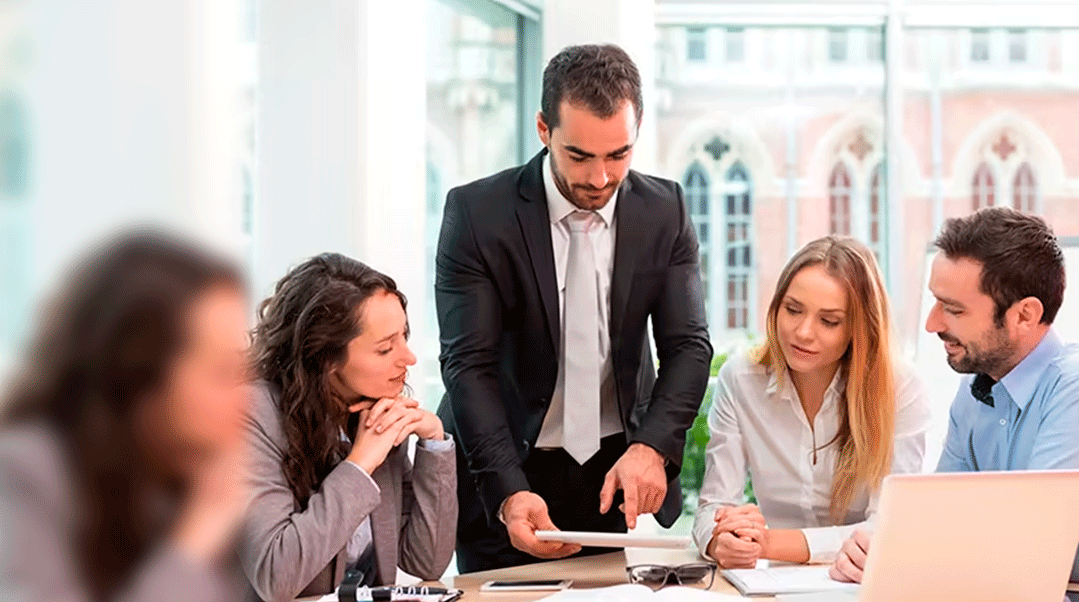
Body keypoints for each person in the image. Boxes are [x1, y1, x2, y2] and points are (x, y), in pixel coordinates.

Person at [434, 43, 711, 572]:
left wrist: (652, 448)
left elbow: (688, 348)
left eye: (618, 155)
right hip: (503, 466)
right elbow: (470, 368)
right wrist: (509, 491)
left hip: (610, 473)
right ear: (544, 129)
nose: (600, 178)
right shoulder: (477, 215)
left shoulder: (665, 211)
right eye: (579, 156)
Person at [829, 207, 1079, 585]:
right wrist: (881, 550)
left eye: (953, 309)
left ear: (1025, 316)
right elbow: (939, 522)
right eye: (936, 302)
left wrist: (910, 557)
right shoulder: (975, 388)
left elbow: (1034, 545)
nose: (932, 324)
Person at [0, 231, 251, 602]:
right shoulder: (25, 476)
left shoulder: (169, 479)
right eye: (221, 374)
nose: (245, 400)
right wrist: (197, 538)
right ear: (136, 373)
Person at [693, 236, 932, 569]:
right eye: (793, 310)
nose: (803, 332)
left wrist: (767, 543)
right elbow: (714, 505)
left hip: (859, 584)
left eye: (829, 321)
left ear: (858, 329)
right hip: (772, 582)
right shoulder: (741, 378)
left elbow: (889, 527)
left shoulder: (900, 387)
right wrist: (722, 540)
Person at [239, 254, 457, 601]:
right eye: (385, 348)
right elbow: (276, 578)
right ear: (325, 359)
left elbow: (425, 562)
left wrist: (434, 444)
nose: (409, 358)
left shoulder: (375, 408)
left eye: (404, 336)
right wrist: (360, 464)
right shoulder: (251, 416)